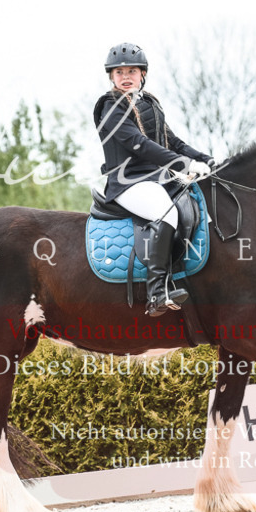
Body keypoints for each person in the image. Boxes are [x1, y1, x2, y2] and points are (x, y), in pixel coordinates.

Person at [93, 42, 214, 317]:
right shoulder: (110, 106)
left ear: (142, 74)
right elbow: (138, 144)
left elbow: (172, 142)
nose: (126, 76)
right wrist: (183, 165)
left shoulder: (149, 103)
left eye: (132, 71)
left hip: (157, 179)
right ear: (111, 76)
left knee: (198, 206)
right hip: (128, 183)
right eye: (119, 71)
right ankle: (157, 292)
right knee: (166, 214)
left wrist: (205, 158)